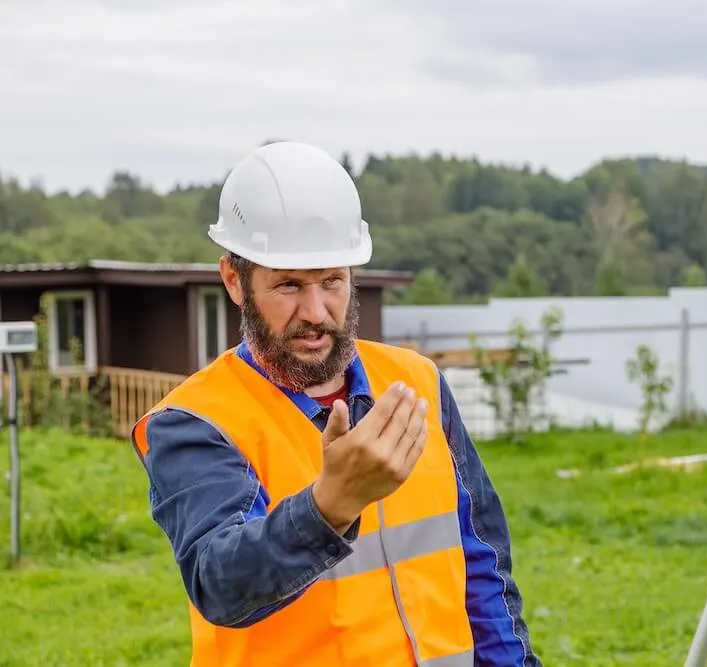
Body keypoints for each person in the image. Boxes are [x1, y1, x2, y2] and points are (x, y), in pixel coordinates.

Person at [130, 140, 541, 667]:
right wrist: (331, 503)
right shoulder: (196, 421)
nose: (317, 311)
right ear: (234, 281)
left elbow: (482, 562)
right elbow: (221, 584)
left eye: (332, 281)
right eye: (289, 286)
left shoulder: (417, 382)